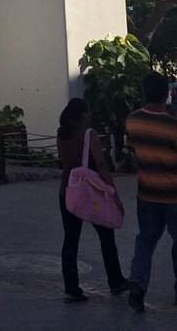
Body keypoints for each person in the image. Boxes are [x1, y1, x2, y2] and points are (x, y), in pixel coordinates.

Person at [56, 97, 127, 302]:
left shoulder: (62, 135)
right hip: (92, 193)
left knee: (70, 239)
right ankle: (116, 281)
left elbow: (64, 161)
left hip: (67, 190)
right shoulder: (90, 134)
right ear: (84, 114)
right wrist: (114, 193)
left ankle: (71, 288)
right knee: (106, 237)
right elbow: (102, 166)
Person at [125, 71, 177, 313]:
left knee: (145, 242)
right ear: (167, 93)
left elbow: (133, 148)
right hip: (173, 195)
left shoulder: (133, 120)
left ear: (145, 92)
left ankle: (137, 285)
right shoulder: (173, 125)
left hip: (146, 193)